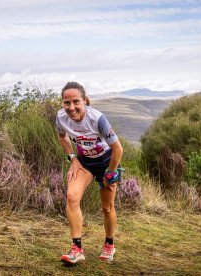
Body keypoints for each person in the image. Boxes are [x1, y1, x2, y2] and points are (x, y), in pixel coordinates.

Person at [55, 81, 123, 264]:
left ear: (84, 100)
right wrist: (72, 157)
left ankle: (109, 244)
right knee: (71, 196)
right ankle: (76, 249)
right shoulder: (61, 117)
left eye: (76, 102)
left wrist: (110, 173)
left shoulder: (97, 119)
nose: (71, 107)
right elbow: (62, 136)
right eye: (66, 103)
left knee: (107, 207)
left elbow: (118, 149)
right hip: (84, 163)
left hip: (107, 163)